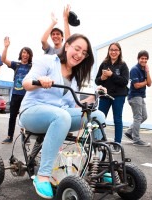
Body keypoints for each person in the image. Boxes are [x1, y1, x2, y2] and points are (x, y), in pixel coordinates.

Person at [19, 33, 106, 199]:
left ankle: (101, 167)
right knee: (62, 116)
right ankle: (43, 176)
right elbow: (26, 82)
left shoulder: (75, 77)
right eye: (77, 49)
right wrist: (40, 80)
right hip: (32, 112)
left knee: (97, 115)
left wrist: (95, 95)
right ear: (67, 46)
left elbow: (73, 106)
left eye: (84, 52)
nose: (80, 54)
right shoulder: (47, 61)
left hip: (59, 114)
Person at [95, 42, 129, 152]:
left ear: (119, 52)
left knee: (117, 119)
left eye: (116, 50)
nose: (113, 52)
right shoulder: (104, 64)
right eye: (111, 50)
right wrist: (102, 78)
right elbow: (97, 80)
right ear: (108, 51)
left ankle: (117, 144)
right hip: (105, 95)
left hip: (119, 96)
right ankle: (98, 142)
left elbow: (124, 81)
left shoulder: (123, 65)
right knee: (99, 118)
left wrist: (112, 75)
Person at [1, 37, 33, 144]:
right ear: (21, 54)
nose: (25, 54)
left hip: (27, 95)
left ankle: (25, 137)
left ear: (30, 55)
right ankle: (9, 136)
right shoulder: (16, 65)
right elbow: (3, 60)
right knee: (12, 116)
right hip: (15, 94)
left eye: (27, 53)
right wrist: (6, 47)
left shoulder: (32, 66)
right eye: (24, 52)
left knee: (25, 117)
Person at [124, 50, 152, 147]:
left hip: (140, 96)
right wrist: (145, 82)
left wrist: (147, 72)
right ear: (138, 59)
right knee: (138, 117)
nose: (144, 60)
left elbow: (150, 83)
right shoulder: (134, 69)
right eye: (142, 58)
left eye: (145, 59)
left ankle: (129, 132)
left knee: (144, 116)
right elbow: (136, 85)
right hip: (134, 96)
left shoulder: (145, 69)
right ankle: (136, 139)